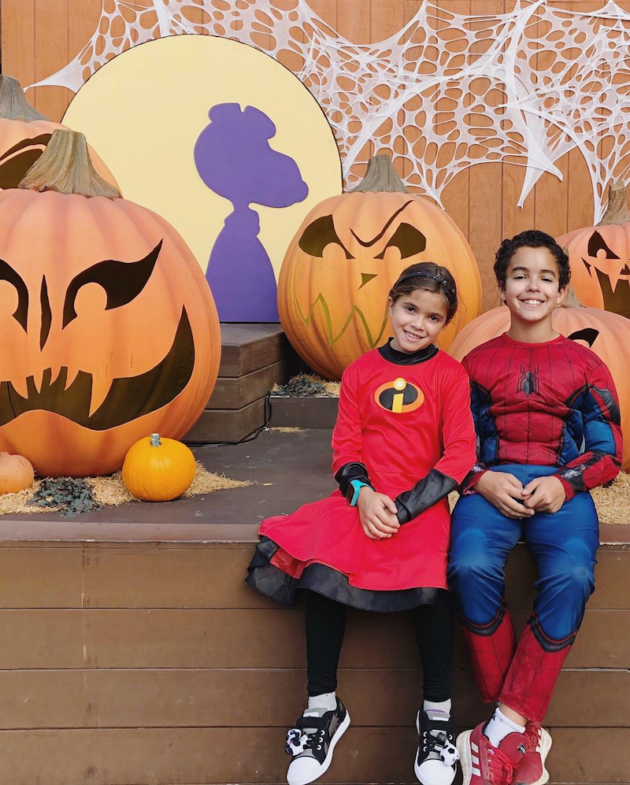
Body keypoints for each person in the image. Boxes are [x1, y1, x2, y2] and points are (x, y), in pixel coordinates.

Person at [246, 262, 477, 785]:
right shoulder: (359, 372)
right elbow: (345, 447)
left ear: (445, 325)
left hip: (420, 502)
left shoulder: (449, 375)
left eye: (433, 317)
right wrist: (363, 494)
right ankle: (322, 705)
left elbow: (461, 452)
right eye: (410, 309)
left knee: (432, 582)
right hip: (361, 499)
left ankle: (436, 716)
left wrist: (408, 506)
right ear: (391, 305)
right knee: (324, 571)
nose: (418, 323)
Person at [448, 230, 623, 785]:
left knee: (572, 573)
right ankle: (522, 734)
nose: (532, 286)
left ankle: (499, 729)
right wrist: (481, 478)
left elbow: (608, 452)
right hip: (490, 486)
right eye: (520, 275)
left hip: (561, 490)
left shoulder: (588, 365)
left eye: (546, 277)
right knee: (469, 567)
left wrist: (566, 483)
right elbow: (452, 448)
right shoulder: (473, 363)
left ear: (563, 290)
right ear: (502, 287)